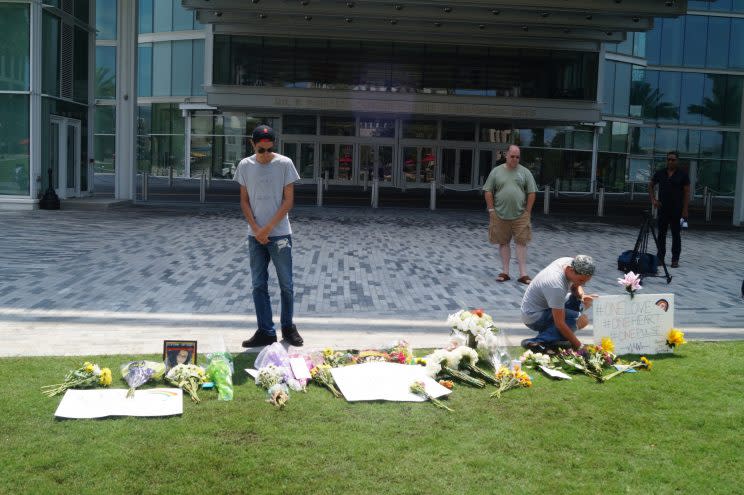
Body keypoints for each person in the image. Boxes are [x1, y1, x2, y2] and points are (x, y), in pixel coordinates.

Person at [235, 125, 304, 348]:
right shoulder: (245, 165)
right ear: (252, 144)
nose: (265, 154)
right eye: (260, 150)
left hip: (280, 234)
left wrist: (267, 229)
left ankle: (288, 328)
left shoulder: (285, 164)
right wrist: (256, 229)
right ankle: (265, 330)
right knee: (258, 284)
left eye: (268, 149)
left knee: (286, 284)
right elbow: (244, 201)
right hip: (255, 236)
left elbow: (288, 201)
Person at [483, 145, 537, 285]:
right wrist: (491, 210)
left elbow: (531, 193)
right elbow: (488, 191)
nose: (515, 159)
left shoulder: (525, 172)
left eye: (517, 157)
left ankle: (523, 274)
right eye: (512, 156)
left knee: (521, 242)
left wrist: (528, 212)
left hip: (520, 215)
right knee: (503, 242)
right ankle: (505, 272)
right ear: (506, 155)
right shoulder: (496, 172)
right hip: (500, 214)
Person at [519, 255, 597, 351]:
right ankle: (537, 341)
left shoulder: (568, 262)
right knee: (581, 319)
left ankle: (553, 338)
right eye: (581, 280)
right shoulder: (556, 285)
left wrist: (582, 296)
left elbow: (575, 286)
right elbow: (560, 323)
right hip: (533, 317)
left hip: (542, 307)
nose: (583, 284)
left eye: (585, 282)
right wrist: (579, 346)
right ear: (570, 269)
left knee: (580, 304)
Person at [649, 151, 690, 268]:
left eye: (673, 160)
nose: (670, 161)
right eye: (668, 159)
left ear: (677, 161)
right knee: (661, 234)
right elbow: (651, 185)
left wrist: (685, 209)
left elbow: (687, 192)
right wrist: (653, 200)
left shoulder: (683, 175)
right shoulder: (660, 173)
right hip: (663, 208)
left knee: (676, 234)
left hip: (677, 209)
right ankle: (660, 258)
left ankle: (675, 259)